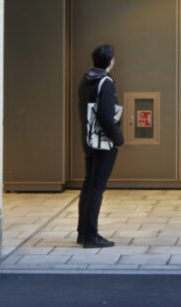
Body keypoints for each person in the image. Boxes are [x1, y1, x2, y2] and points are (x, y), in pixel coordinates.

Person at [76, 43, 122, 248]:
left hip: (89, 140)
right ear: (110, 61)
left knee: (88, 186)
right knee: (96, 189)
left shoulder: (86, 80)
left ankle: (83, 232)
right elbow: (105, 116)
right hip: (103, 143)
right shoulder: (105, 82)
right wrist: (118, 138)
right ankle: (91, 235)